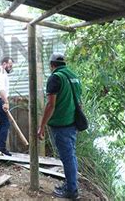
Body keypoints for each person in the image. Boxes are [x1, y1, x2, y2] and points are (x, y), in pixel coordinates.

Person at [37, 53, 81, 200]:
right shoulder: (74, 76)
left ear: (52, 65)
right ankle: (70, 185)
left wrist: (41, 126)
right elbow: (79, 102)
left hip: (61, 125)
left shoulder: (55, 78)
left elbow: (50, 104)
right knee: (71, 155)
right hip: (72, 123)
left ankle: (71, 191)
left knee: (67, 157)